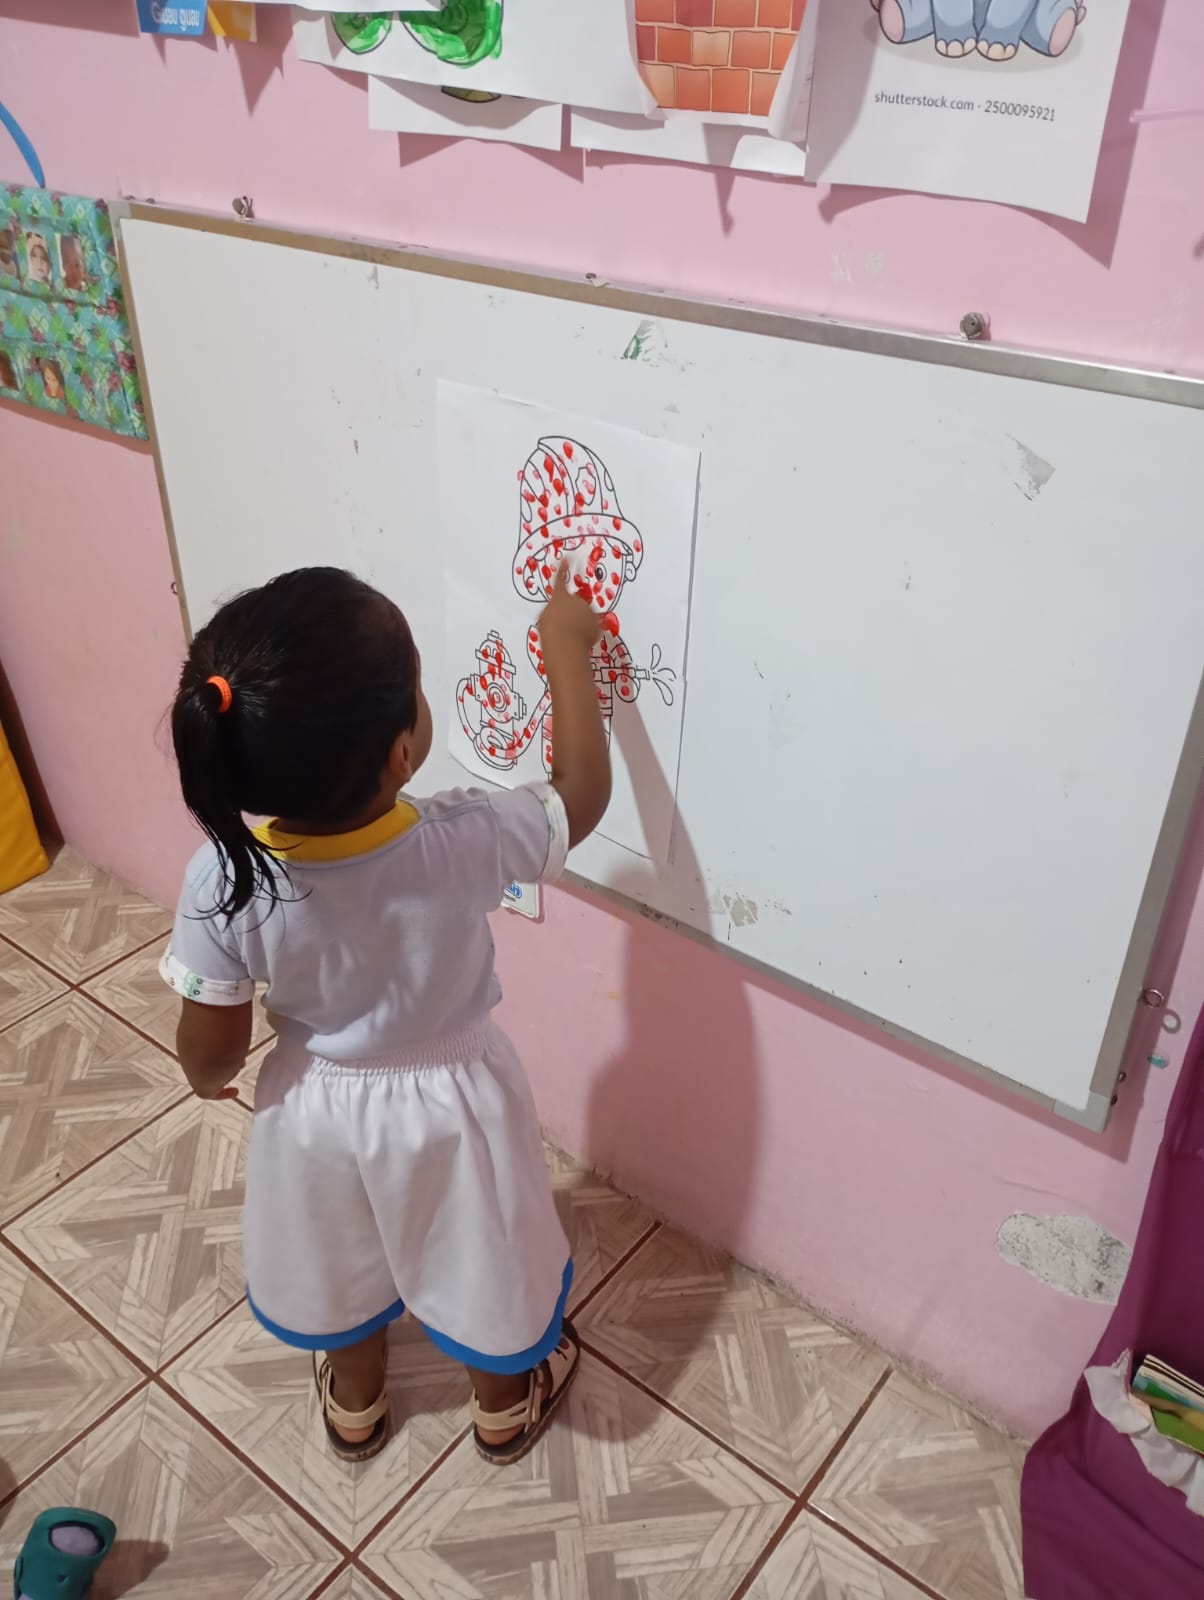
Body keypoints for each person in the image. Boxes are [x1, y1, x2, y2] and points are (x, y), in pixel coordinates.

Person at [162, 563, 610, 1466]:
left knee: (339, 1255)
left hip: (313, 1114)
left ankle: (358, 1402)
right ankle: (503, 1407)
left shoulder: (222, 879)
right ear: (403, 754)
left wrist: (208, 1081)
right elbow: (579, 796)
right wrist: (566, 647)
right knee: (481, 1252)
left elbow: (212, 1049)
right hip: (458, 1106)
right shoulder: (465, 837)